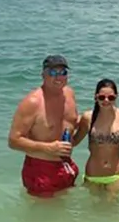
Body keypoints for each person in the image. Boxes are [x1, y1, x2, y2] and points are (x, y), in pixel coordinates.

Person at [7, 55, 80, 197]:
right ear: (43, 75)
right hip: (41, 170)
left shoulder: (69, 94)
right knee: (44, 218)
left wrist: (88, 122)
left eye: (62, 73)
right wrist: (48, 148)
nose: (58, 78)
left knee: (65, 215)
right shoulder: (33, 102)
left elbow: (70, 126)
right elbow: (13, 140)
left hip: (66, 166)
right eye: (52, 73)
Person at [72, 78, 119, 194]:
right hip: (93, 174)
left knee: (112, 209)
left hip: (115, 174)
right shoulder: (88, 117)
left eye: (111, 98)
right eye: (101, 97)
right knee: (93, 210)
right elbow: (75, 141)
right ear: (95, 97)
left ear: (116, 97)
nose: (106, 100)